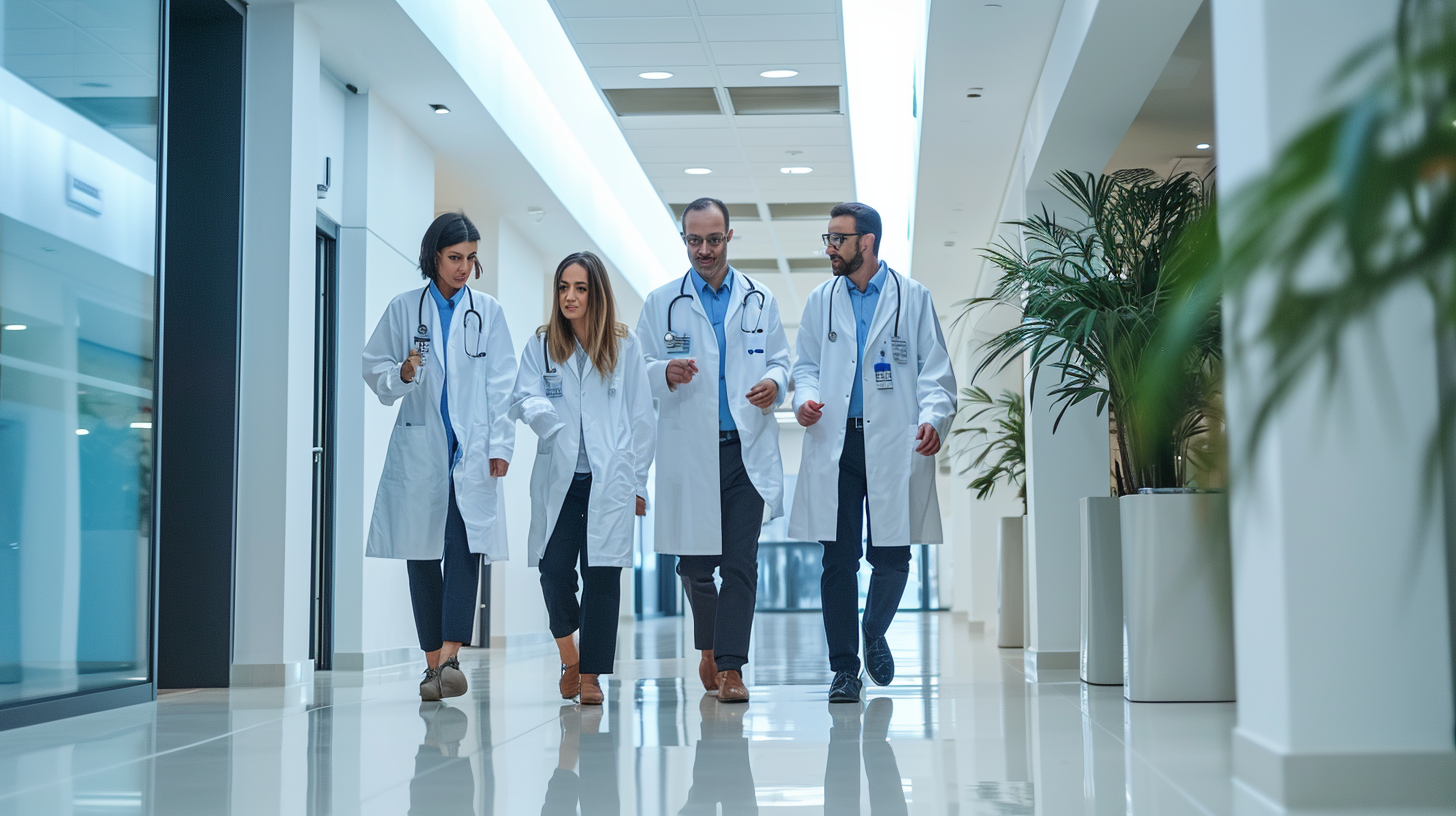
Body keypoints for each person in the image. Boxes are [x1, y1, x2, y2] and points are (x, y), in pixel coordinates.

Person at [790, 202, 956, 703]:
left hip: (891, 441)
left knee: (893, 556)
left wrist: (933, 420)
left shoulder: (914, 298)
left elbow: (937, 374)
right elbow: (804, 367)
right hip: (836, 443)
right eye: (827, 237)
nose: (828, 248)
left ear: (867, 241)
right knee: (837, 560)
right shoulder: (822, 300)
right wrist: (803, 400)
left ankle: (873, 629)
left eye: (837, 238)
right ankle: (844, 669)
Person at [636, 197, 791, 704]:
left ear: (729, 237)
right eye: (694, 240)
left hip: (744, 450)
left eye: (714, 239)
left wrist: (774, 383)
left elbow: (783, 362)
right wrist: (664, 372)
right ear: (684, 239)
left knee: (741, 564)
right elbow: (636, 375)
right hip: (689, 452)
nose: (704, 250)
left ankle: (730, 667)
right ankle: (709, 644)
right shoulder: (662, 301)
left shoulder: (759, 298)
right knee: (695, 568)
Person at [362, 212, 516, 702]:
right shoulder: (405, 308)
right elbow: (375, 368)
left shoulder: (487, 312)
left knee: (465, 548)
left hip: (470, 454)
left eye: (471, 258)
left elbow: (502, 385)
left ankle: (449, 656)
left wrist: (500, 446)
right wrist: (404, 373)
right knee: (421, 555)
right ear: (433, 257)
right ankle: (434, 666)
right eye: (455, 258)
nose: (464, 268)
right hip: (421, 450)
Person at [511, 251, 655, 706]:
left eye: (580, 288)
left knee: (602, 578)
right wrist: (545, 419)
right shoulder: (541, 344)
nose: (570, 296)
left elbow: (641, 418)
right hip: (560, 479)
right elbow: (521, 397)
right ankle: (569, 654)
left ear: (597, 293)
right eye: (563, 288)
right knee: (554, 571)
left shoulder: (623, 344)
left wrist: (636, 482)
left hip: (609, 480)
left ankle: (590, 676)